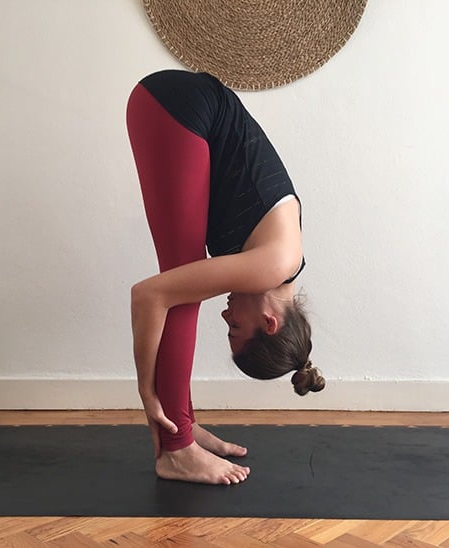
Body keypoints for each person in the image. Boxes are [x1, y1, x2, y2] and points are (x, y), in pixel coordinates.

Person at [126, 70, 325, 485]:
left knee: (183, 286)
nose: (226, 316)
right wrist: (147, 392)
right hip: (178, 110)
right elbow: (148, 296)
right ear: (269, 322)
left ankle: (182, 425)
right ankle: (176, 449)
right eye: (236, 327)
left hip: (178, 107)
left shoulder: (284, 262)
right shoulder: (274, 264)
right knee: (178, 292)